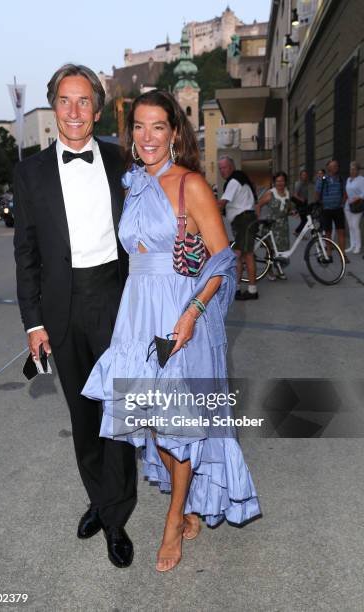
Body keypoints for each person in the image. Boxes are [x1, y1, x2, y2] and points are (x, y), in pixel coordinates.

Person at [82, 90, 261, 573]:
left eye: (157, 126)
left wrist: (190, 315)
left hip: (179, 315)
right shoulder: (132, 184)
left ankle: (174, 517)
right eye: (139, 127)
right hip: (137, 312)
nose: (147, 137)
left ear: (174, 132)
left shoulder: (192, 185)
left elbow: (224, 263)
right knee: (154, 421)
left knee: (175, 422)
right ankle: (189, 500)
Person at [13, 64, 137, 569]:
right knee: (84, 416)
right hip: (61, 308)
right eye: (64, 100)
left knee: (120, 412)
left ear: (97, 109)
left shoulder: (120, 161)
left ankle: (116, 515)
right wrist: (33, 323)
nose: (74, 111)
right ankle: (100, 498)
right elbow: (25, 253)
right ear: (53, 107)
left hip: (114, 297)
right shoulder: (29, 173)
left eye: (84, 101)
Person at [217, 156, 258, 300]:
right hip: (241, 221)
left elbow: (222, 203)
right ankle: (236, 289)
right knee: (238, 256)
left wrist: (205, 208)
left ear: (232, 167)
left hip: (244, 220)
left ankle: (252, 291)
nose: (222, 171)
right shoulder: (238, 178)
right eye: (220, 168)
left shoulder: (234, 181)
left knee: (246, 254)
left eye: (225, 167)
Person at [255, 171, 292, 280]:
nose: (280, 183)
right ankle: (269, 271)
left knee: (280, 250)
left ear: (285, 182)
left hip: (283, 226)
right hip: (271, 225)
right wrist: (257, 219)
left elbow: (287, 207)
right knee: (270, 250)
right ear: (274, 182)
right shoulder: (270, 193)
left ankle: (279, 269)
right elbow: (258, 205)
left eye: (282, 181)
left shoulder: (287, 192)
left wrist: (291, 211)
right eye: (278, 181)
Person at [315, 159, 347, 258]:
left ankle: (343, 254)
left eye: (336, 166)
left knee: (341, 232)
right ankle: (328, 252)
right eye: (333, 166)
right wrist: (320, 204)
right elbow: (317, 193)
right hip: (327, 210)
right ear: (328, 168)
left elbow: (345, 193)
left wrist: (342, 203)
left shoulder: (341, 179)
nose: (335, 167)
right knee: (328, 232)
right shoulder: (323, 179)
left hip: (338, 209)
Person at [344, 161, 364, 254]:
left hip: (357, 206)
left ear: (358, 170)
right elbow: (347, 192)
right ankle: (352, 245)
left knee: (355, 226)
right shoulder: (348, 179)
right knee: (350, 226)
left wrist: (357, 198)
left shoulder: (361, 179)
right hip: (348, 206)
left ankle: (358, 246)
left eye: (354, 169)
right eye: (351, 169)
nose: (352, 171)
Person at [292, 170, 309, 237]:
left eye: (305, 175)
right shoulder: (299, 184)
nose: (305, 176)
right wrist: (302, 199)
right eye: (303, 175)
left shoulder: (305, 183)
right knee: (305, 220)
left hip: (304, 203)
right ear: (300, 176)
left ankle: (299, 232)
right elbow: (295, 195)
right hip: (301, 204)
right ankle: (297, 232)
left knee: (305, 220)